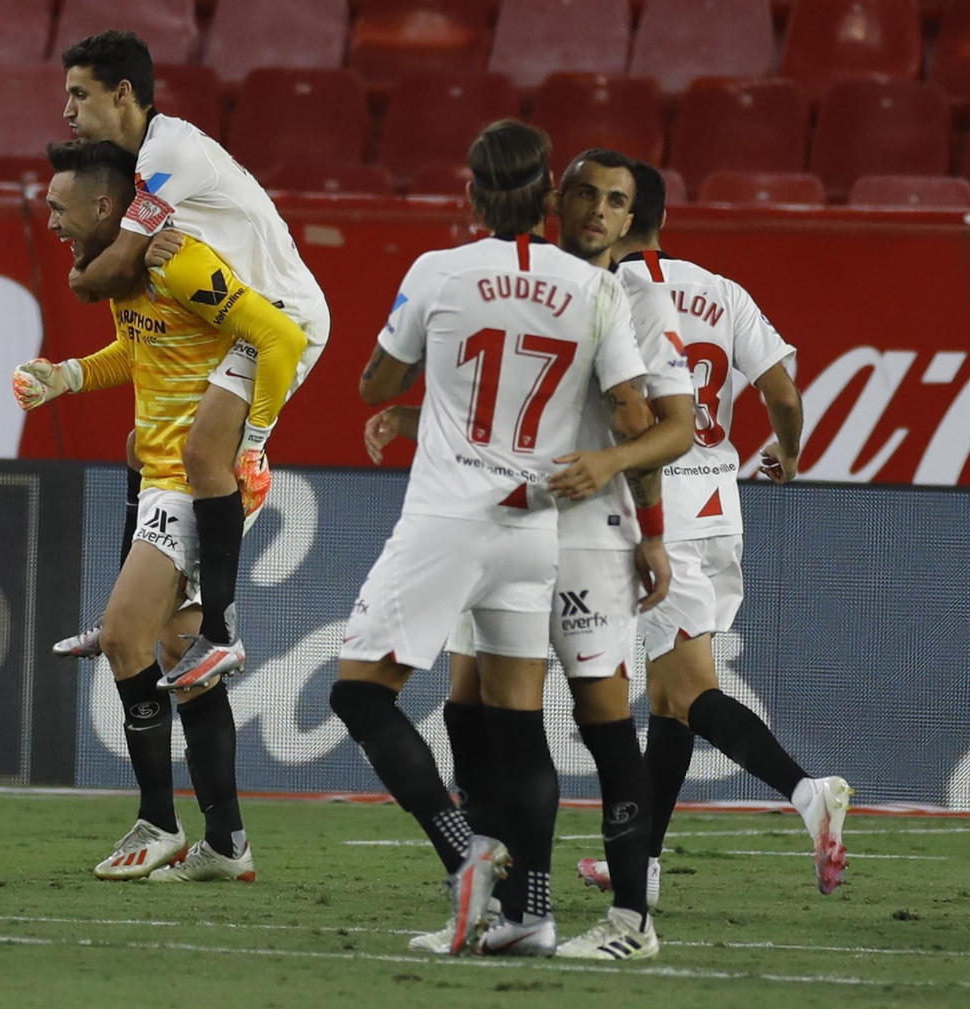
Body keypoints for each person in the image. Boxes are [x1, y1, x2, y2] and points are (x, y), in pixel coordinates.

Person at [329, 120, 654, 956]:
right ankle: (530, 916)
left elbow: (376, 381)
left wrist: (428, 380)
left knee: (359, 692)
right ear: (549, 194)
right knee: (518, 726)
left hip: (450, 512)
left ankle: (462, 849)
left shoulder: (439, 271)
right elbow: (630, 415)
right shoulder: (592, 289)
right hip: (534, 522)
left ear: (470, 193)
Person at [13, 139, 307, 880]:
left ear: (105, 206)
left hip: (192, 480)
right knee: (182, 662)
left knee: (123, 637)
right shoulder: (119, 273)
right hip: (161, 476)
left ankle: (157, 821)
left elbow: (282, 338)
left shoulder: (180, 259)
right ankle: (227, 842)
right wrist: (69, 376)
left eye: (58, 205)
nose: (49, 219)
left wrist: (255, 441)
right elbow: (136, 351)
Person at [574, 160, 852, 903]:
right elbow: (784, 393)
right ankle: (643, 864)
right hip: (720, 506)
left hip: (656, 507)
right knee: (668, 699)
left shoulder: (612, 289)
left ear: (627, 216)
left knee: (688, 690)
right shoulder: (723, 291)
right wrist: (787, 452)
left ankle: (805, 790)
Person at [51, 30, 330, 688]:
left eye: (79, 94)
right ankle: (129, 607)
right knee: (139, 444)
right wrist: (100, 272)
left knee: (207, 456)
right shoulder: (148, 161)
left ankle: (218, 631)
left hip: (283, 318)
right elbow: (117, 269)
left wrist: (85, 277)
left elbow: (113, 269)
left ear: (123, 93)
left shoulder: (170, 149)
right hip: (240, 318)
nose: (67, 111)